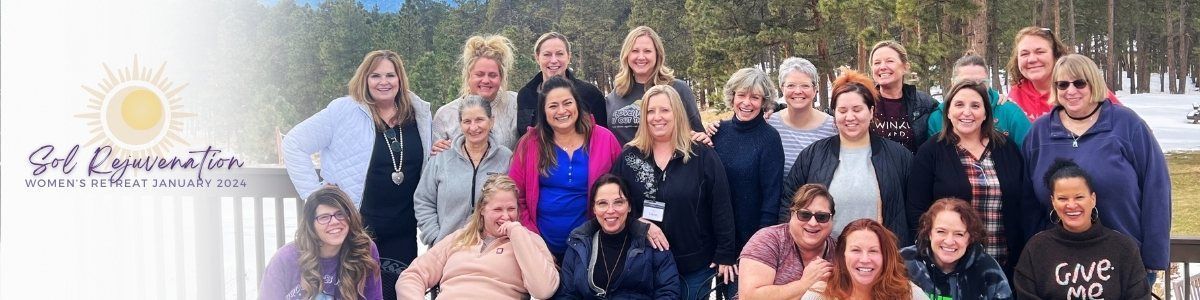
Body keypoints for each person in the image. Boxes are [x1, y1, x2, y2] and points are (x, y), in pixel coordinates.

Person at [282, 50, 432, 299]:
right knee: (354, 294)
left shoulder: (418, 114)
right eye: (375, 75)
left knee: (398, 293)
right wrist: (316, 195)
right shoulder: (344, 111)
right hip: (355, 229)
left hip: (403, 230)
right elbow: (294, 143)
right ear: (365, 79)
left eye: (390, 75)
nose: (383, 82)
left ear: (400, 79)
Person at [1023, 54, 1170, 284]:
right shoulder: (1040, 132)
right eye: (1062, 84)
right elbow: (1028, 200)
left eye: (1079, 83)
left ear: (1094, 83)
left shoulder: (1127, 125)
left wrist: (1154, 257)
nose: (1071, 91)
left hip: (1125, 261)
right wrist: (1031, 255)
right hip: (1059, 263)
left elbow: (1157, 189)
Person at [609, 84, 737, 300]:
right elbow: (613, 203)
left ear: (677, 113)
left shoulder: (701, 154)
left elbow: (721, 205)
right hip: (645, 264)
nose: (657, 117)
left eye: (665, 110)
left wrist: (726, 253)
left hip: (694, 266)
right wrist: (637, 223)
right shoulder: (629, 157)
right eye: (650, 111)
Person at [781, 69, 913, 246]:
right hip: (824, 259)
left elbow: (914, 211)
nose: (850, 117)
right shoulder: (813, 155)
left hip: (879, 260)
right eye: (842, 110)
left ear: (871, 111)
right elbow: (787, 203)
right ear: (834, 114)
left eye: (857, 109)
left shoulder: (898, 156)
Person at [906, 79, 1027, 274]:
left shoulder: (1006, 147)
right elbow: (916, 209)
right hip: (950, 263)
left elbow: (1023, 201)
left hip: (1004, 262)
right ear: (948, 111)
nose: (967, 112)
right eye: (959, 104)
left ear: (986, 112)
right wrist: (929, 253)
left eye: (975, 105)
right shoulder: (931, 152)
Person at [509, 75, 623, 260]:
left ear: (577, 104)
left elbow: (623, 190)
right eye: (553, 106)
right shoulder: (530, 144)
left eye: (567, 103)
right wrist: (533, 240)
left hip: (593, 248)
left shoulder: (604, 139)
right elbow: (514, 195)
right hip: (540, 250)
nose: (561, 111)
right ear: (543, 112)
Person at [395, 175, 559, 299]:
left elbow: (543, 289)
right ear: (482, 209)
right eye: (497, 209)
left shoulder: (529, 240)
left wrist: (516, 233)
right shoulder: (459, 238)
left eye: (511, 209)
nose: (506, 216)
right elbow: (412, 276)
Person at [1013, 159, 1150, 299]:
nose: (1071, 205)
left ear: (1093, 199)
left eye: (1079, 197)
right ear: (1053, 201)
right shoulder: (1036, 248)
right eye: (1062, 198)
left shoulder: (1124, 248)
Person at [707, 67, 785, 298]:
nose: (746, 103)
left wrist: (756, 252)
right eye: (741, 95)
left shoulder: (769, 139)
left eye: (755, 97)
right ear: (732, 97)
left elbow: (771, 201)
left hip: (747, 245)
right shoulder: (717, 132)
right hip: (714, 240)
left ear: (764, 102)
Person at [704, 57, 836, 178]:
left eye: (805, 85)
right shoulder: (769, 122)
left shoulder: (833, 128)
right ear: (781, 88)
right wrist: (713, 131)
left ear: (815, 89)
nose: (797, 91)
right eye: (790, 85)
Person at [555, 174, 681, 299]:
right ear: (594, 208)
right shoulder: (578, 244)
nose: (610, 210)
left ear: (629, 206)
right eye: (602, 203)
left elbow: (668, 292)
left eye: (618, 202)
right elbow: (566, 294)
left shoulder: (651, 243)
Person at [414, 95, 514, 246]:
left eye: (479, 120)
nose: (473, 127)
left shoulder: (506, 158)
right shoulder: (441, 157)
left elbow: (515, 203)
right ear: (460, 124)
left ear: (491, 121)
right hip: (446, 250)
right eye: (467, 121)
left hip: (492, 253)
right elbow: (423, 200)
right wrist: (435, 238)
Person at [261, 187, 383, 300]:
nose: (334, 221)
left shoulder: (363, 249)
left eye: (340, 214)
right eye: (324, 217)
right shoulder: (285, 259)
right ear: (311, 225)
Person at [606, 26, 706, 145]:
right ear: (626, 55)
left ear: (658, 54)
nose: (641, 57)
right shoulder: (615, 95)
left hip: (670, 162)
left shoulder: (678, 89)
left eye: (647, 51)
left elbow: (698, 134)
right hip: (625, 163)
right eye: (635, 51)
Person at [738, 184, 837, 300]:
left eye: (822, 217)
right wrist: (805, 284)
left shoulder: (841, 250)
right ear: (792, 214)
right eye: (804, 215)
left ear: (832, 220)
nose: (813, 223)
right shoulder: (768, 240)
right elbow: (749, 297)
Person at [901, 198, 1012, 300]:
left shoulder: (988, 271)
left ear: (970, 238)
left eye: (959, 234)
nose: (949, 241)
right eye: (941, 231)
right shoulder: (902, 262)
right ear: (929, 233)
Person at [1005, 27, 1120, 121]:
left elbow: (1124, 124)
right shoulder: (1016, 94)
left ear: (1056, 55)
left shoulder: (1081, 88)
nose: (1031, 59)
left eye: (1040, 52)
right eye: (1024, 54)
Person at [432, 35, 520, 152]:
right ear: (468, 76)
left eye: (492, 75)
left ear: (501, 77)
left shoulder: (516, 105)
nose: (486, 80)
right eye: (479, 74)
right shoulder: (445, 115)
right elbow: (435, 162)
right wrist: (436, 153)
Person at [801, 219, 929, 300]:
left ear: (886, 257)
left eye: (873, 251)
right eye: (856, 250)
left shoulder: (907, 294)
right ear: (842, 255)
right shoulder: (819, 294)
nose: (865, 259)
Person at [927, 55, 1031, 149]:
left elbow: (1032, 155)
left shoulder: (1009, 112)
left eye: (980, 83)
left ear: (988, 83)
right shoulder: (937, 118)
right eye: (965, 82)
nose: (973, 88)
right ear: (953, 83)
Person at [516, 32, 607, 138]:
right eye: (547, 55)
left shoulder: (590, 94)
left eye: (559, 54)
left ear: (569, 57)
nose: (554, 60)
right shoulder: (525, 95)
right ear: (537, 57)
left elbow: (602, 139)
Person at [868, 40, 937, 153]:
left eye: (890, 61)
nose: (882, 67)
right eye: (877, 63)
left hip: (913, 169)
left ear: (905, 67)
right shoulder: (863, 101)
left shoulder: (925, 104)